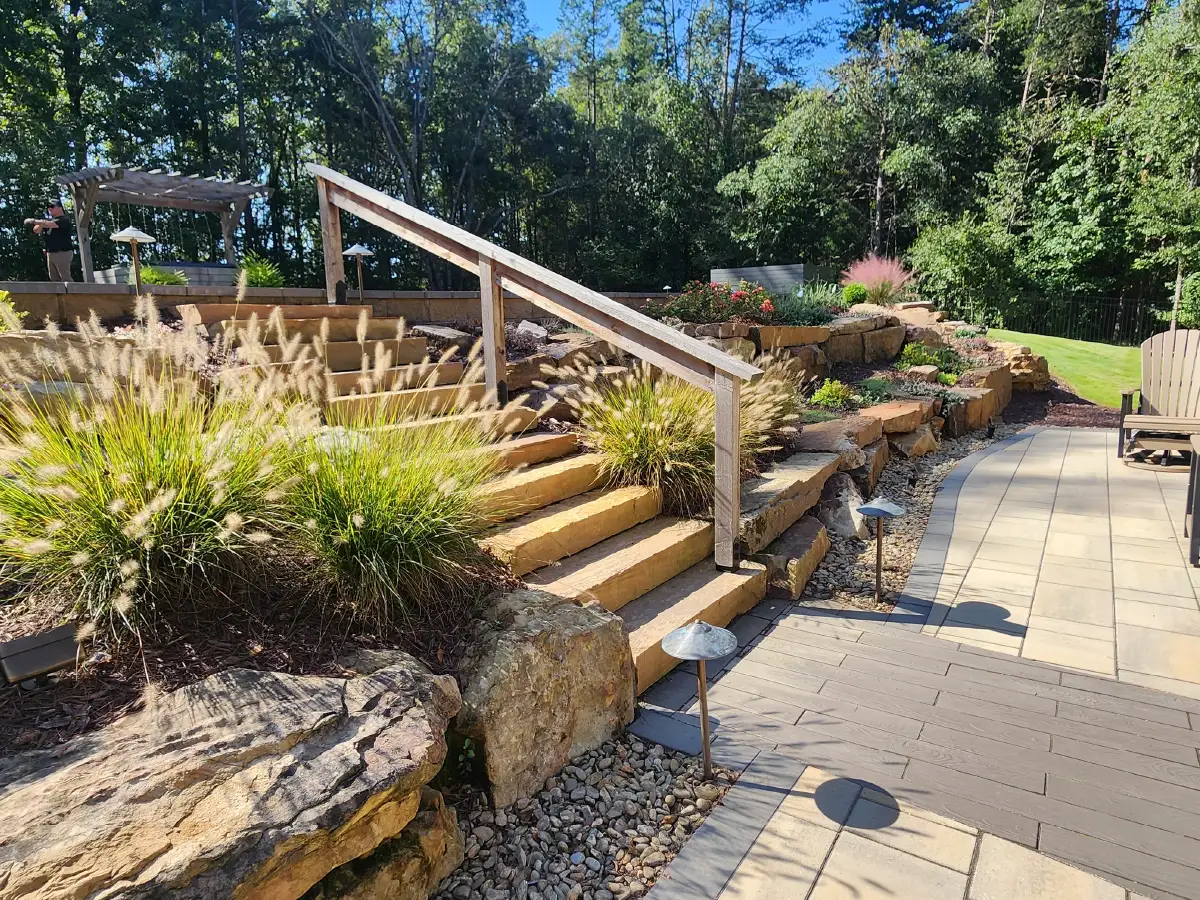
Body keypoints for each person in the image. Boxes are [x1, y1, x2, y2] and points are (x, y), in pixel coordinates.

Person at [24, 199, 75, 282]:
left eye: (52, 206)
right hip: (51, 253)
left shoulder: (64, 220)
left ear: (60, 208)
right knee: (54, 279)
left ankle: (74, 294)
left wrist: (34, 221)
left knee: (65, 277)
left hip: (63, 252)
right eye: (48, 207)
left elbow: (52, 224)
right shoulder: (47, 222)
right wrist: (41, 223)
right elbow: (36, 230)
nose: (49, 209)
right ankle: (59, 295)